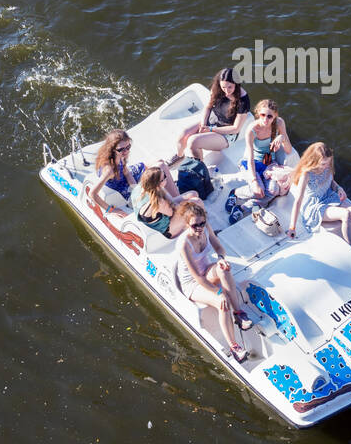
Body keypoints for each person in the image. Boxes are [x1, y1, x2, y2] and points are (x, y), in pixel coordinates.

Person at [286, 142, 351, 262]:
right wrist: (292, 227)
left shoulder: (328, 165)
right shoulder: (306, 174)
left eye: (328, 162)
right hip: (315, 206)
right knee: (346, 214)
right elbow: (298, 201)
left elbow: (331, 181)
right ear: (314, 161)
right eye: (323, 163)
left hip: (329, 197)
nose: (326, 166)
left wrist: (338, 188)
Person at [175, 201, 254, 362]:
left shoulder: (205, 228)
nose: (199, 228)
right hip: (193, 283)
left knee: (224, 269)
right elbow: (197, 277)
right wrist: (218, 292)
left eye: (202, 223)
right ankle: (234, 347)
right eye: (194, 225)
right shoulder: (184, 244)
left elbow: (219, 247)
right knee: (222, 301)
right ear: (186, 224)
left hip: (206, 271)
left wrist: (221, 259)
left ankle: (238, 314)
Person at [88, 129, 189, 213]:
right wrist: (111, 210)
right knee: (161, 167)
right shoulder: (109, 170)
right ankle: (179, 202)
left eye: (128, 147)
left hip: (130, 176)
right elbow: (92, 194)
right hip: (125, 188)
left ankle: (168, 179)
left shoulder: (119, 156)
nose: (126, 151)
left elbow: (126, 172)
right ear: (112, 149)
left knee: (160, 162)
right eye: (121, 149)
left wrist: (135, 187)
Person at [173, 67, 252, 162]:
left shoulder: (243, 100)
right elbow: (208, 107)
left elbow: (236, 129)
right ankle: (179, 156)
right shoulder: (217, 89)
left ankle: (200, 169)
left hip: (226, 134)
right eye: (223, 87)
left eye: (230, 87)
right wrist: (203, 124)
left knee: (193, 142)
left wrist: (211, 129)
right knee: (183, 135)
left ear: (236, 84)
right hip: (211, 123)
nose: (226, 91)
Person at [243, 99, 293, 203]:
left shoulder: (279, 123)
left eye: (269, 116)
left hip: (269, 163)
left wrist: (282, 137)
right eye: (262, 115)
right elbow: (250, 158)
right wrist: (254, 181)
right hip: (255, 163)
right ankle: (235, 193)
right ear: (258, 113)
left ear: (275, 116)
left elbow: (288, 150)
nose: (265, 119)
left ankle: (247, 206)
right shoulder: (252, 129)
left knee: (273, 191)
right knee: (256, 191)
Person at [130, 166, 200, 238]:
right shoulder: (158, 202)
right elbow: (172, 212)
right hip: (168, 230)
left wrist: (177, 203)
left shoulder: (148, 187)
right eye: (164, 177)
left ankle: (200, 220)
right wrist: (186, 204)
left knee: (193, 194)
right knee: (196, 202)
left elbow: (172, 201)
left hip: (164, 215)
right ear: (158, 183)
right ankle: (203, 228)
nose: (166, 178)